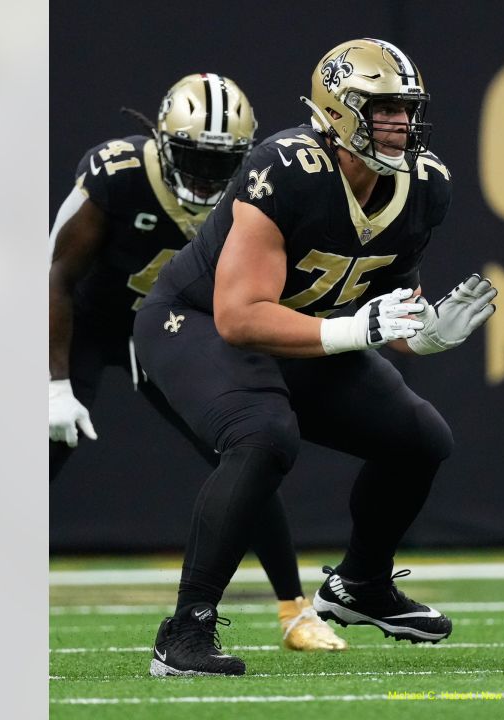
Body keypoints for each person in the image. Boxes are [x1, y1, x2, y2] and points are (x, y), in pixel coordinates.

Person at [135, 39, 499, 677]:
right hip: (195, 322)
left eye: (406, 110)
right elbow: (240, 316)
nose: (401, 124)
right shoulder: (286, 169)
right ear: (335, 110)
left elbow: (386, 307)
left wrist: (428, 334)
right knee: (263, 434)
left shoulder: (423, 186)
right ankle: (185, 627)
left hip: (305, 330)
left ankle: (361, 586)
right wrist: (354, 332)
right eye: (381, 109)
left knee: (420, 438)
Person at [48, 74, 347, 652]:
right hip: (83, 324)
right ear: (161, 142)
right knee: (43, 451)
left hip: (169, 330)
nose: (210, 177)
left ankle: (295, 609)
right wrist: (54, 381)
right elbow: (56, 274)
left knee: (243, 450)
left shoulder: (259, 183)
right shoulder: (117, 173)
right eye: (194, 158)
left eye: (223, 163)